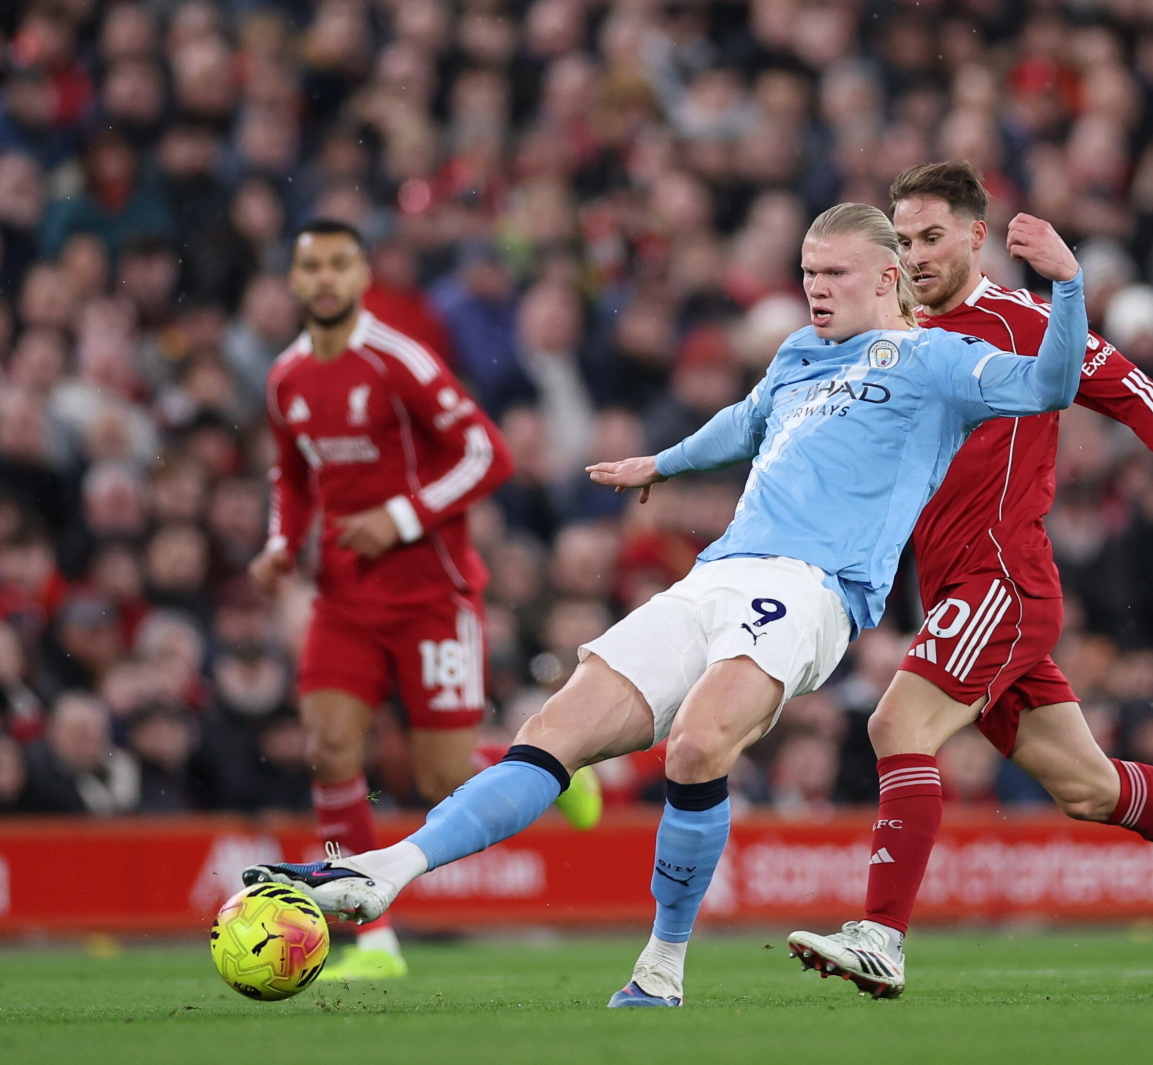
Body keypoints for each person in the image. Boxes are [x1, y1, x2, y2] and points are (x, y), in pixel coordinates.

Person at [244, 202, 1089, 1008]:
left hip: (812, 589)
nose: (816, 288)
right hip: (716, 574)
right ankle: (385, 871)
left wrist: (1066, 285)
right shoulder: (800, 351)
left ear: (887, 276)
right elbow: (746, 422)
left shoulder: (937, 360)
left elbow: (1051, 384)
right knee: (551, 731)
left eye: (834, 273)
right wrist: (662, 462)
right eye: (807, 272)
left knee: (695, 745)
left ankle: (662, 962)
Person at [788, 162, 1153, 1000]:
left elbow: (1134, 389)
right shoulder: (892, 329)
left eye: (932, 237)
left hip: (1001, 581)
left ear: (975, 236)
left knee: (896, 724)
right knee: (1089, 788)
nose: (915, 255)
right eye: (904, 239)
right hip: (952, 590)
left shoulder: (1026, 321)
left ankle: (881, 936)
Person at [246, 219, 599, 982]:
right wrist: (281, 544)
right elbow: (291, 476)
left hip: (431, 596)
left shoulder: (399, 361)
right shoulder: (286, 377)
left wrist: (400, 518)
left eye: (340, 264)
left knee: (442, 778)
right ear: (295, 281)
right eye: (312, 266)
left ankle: (542, 764)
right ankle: (373, 941)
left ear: (362, 276)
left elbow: (489, 453)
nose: (326, 278)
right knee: (329, 749)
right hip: (344, 600)